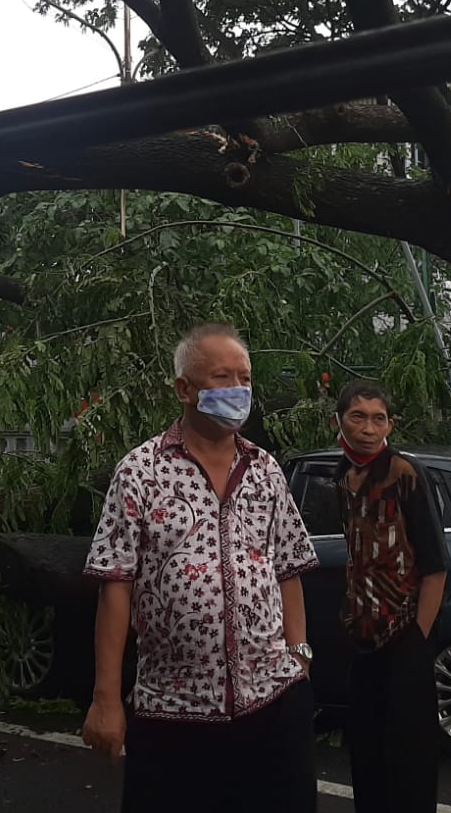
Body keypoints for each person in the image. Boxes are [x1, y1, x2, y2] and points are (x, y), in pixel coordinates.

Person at [82, 323, 319, 813]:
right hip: (174, 712)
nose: (238, 390)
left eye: (245, 378)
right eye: (222, 377)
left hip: (274, 704)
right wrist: (107, 698)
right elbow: (115, 584)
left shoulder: (265, 469)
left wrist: (299, 656)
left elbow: (289, 565)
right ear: (184, 389)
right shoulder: (141, 472)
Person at [333, 379, 449, 813]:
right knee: (366, 750)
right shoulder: (340, 476)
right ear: (339, 421)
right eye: (358, 416)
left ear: (390, 425)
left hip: (406, 635)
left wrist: (418, 637)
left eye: (377, 418)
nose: (368, 427)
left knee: (410, 757)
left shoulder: (405, 473)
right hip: (362, 637)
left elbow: (435, 565)